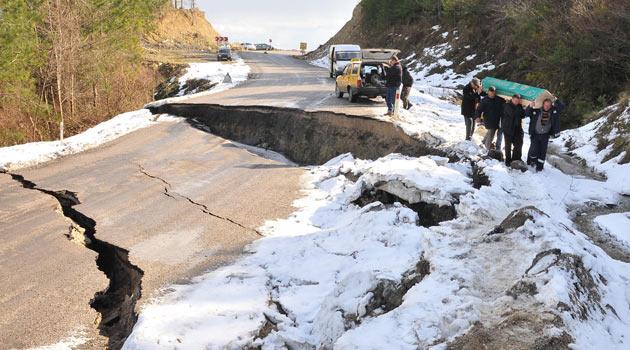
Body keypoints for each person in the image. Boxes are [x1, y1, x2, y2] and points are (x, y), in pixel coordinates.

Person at [526, 98, 565, 171]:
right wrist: (530, 106)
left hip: (545, 135)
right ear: (543, 104)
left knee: (542, 151)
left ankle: (540, 167)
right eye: (545, 105)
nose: (547, 107)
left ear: (551, 106)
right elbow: (527, 113)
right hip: (535, 134)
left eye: (548, 105)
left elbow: (562, 107)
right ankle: (531, 161)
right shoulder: (537, 110)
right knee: (533, 150)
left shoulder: (554, 111)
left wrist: (556, 100)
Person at [476, 86, 505, 151]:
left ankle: (483, 143)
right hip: (488, 119)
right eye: (491, 92)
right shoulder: (484, 100)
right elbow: (479, 109)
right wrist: (478, 117)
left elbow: (504, 102)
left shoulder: (499, 99)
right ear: (488, 92)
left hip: (497, 119)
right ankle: (487, 148)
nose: (492, 94)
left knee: (491, 132)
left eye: (493, 92)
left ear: (495, 92)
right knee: (491, 132)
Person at [502, 94, 526, 166]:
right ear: (512, 99)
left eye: (518, 101)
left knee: (519, 143)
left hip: (517, 128)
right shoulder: (507, 105)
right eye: (515, 100)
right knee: (508, 145)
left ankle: (516, 158)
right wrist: (523, 109)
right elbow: (514, 114)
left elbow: (523, 115)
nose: (516, 102)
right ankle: (508, 161)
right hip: (508, 128)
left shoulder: (519, 106)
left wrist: (525, 108)